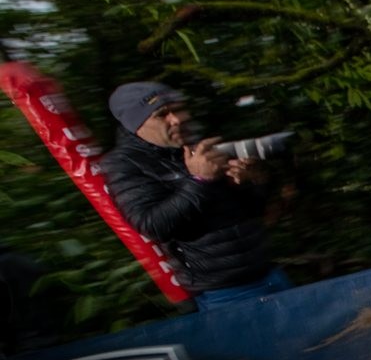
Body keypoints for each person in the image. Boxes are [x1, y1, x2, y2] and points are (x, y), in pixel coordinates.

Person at [100, 81, 290, 310]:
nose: (178, 119)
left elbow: (252, 211)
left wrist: (254, 182)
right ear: (136, 124)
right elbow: (153, 224)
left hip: (270, 272)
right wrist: (200, 180)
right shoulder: (124, 164)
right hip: (223, 292)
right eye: (162, 114)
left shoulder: (195, 143)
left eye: (179, 108)